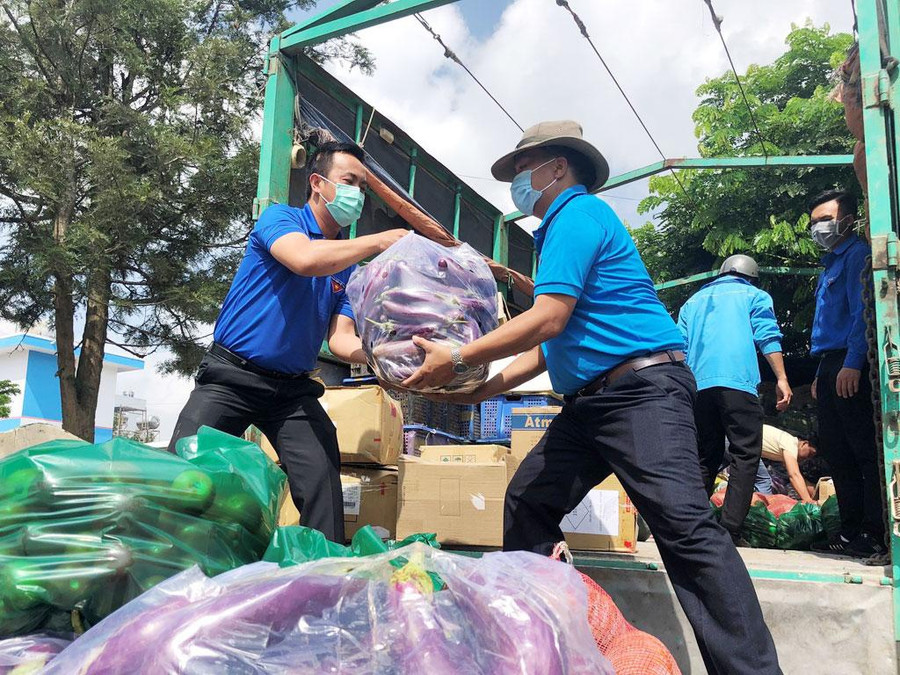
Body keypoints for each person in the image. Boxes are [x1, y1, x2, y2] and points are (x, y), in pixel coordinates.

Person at [404, 120, 780, 674]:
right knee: (529, 500)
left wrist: (460, 357)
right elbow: (547, 346)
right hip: (592, 402)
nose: (517, 185)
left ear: (557, 169)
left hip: (641, 392)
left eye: (522, 171)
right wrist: (480, 390)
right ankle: (541, 639)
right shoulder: (558, 232)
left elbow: (547, 319)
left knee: (687, 532)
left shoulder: (576, 216)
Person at [168, 142, 406, 542]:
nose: (358, 195)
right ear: (318, 182)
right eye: (350, 182)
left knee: (321, 476)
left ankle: (322, 572)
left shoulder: (346, 268)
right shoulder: (280, 220)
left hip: (291, 392)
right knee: (182, 474)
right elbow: (305, 260)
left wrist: (383, 359)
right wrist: (380, 242)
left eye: (363, 187)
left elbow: (340, 340)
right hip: (231, 376)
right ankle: (158, 562)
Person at [677, 255, 793, 544]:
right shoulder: (755, 295)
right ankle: (729, 529)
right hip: (738, 386)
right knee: (745, 456)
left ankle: (690, 525)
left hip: (699, 388)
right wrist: (781, 378)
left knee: (705, 457)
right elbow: (767, 336)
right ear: (751, 277)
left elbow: (680, 346)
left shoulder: (693, 302)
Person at [806, 189, 885, 558]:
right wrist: (824, 374)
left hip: (850, 361)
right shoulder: (829, 265)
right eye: (813, 222)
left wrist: (853, 362)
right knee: (837, 452)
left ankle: (873, 531)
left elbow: (862, 314)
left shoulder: (858, 257)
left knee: (862, 451)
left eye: (824, 219)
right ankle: (850, 531)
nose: (817, 227)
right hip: (830, 364)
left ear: (847, 220)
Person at [759, 425, 818, 503]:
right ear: (804, 443)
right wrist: (808, 500)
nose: (808, 458)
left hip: (747, 445)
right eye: (810, 454)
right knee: (763, 481)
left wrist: (816, 497)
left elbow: (799, 478)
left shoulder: (789, 449)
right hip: (742, 440)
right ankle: (762, 510)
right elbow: (794, 475)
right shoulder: (791, 445)